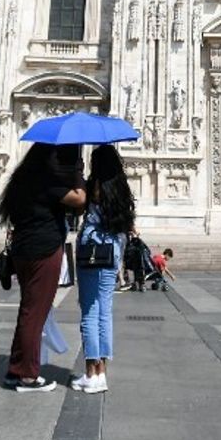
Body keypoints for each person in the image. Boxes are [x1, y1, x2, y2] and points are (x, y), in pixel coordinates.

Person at [0, 142, 85, 392]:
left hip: (23, 250)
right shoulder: (47, 181)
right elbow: (80, 199)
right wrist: (77, 171)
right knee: (36, 313)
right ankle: (28, 376)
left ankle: (16, 369)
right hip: (42, 251)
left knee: (29, 310)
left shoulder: (21, 181)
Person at [73, 144, 134, 394]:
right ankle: (102, 374)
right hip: (112, 254)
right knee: (105, 313)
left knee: (89, 311)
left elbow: (77, 208)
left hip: (92, 254)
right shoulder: (122, 189)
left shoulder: (93, 188)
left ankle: (90, 373)